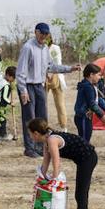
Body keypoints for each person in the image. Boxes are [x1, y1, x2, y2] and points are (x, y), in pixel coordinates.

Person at [28, 117, 97, 209]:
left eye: (30, 134)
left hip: (88, 157)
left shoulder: (52, 140)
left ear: (36, 133)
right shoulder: (47, 141)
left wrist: (53, 181)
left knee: (81, 195)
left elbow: (56, 164)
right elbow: (45, 162)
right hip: (81, 160)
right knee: (79, 195)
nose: (31, 137)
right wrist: (41, 179)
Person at [17, 23, 73, 157]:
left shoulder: (44, 49)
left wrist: (69, 69)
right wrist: (23, 90)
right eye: (41, 33)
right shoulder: (28, 47)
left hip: (40, 86)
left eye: (46, 34)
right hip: (28, 86)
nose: (43, 36)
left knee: (42, 118)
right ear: (36, 32)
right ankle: (30, 148)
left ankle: (41, 147)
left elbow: (50, 66)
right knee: (30, 118)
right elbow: (20, 72)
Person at [73, 63, 105, 142]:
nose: (100, 77)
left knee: (86, 138)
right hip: (83, 117)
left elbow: (98, 99)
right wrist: (102, 117)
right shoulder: (87, 87)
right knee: (84, 140)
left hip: (87, 117)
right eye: (98, 75)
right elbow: (92, 104)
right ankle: (82, 154)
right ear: (91, 75)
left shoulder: (92, 85)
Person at [45, 32, 69, 131]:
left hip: (54, 76)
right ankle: (44, 126)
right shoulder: (39, 48)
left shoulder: (54, 48)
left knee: (59, 103)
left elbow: (57, 62)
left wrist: (50, 72)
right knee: (43, 103)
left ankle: (64, 127)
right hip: (43, 77)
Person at [0, 65, 17, 142]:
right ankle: (2, 135)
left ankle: (0, 135)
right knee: (2, 120)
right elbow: (4, 97)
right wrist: (10, 103)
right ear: (8, 76)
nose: (13, 80)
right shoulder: (6, 85)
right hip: (0, 105)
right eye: (13, 78)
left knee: (0, 119)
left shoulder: (1, 81)